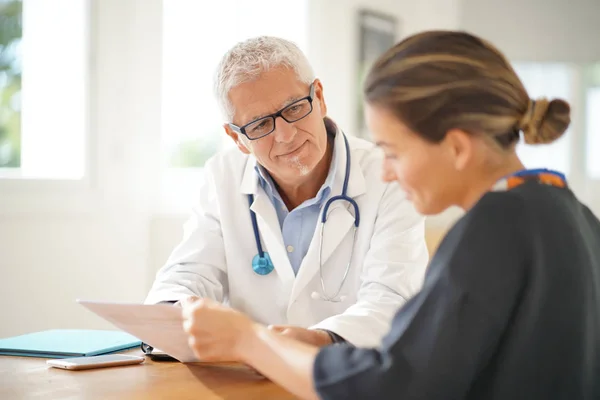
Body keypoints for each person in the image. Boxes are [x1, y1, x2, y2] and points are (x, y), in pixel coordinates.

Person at [181, 30, 600, 400]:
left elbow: (394, 384)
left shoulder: (493, 231)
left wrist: (251, 342)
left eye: (393, 151)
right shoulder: (572, 213)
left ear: (456, 147)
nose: (384, 171)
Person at [145, 36, 429, 348]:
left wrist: (318, 339)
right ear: (237, 138)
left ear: (318, 98)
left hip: (349, 376)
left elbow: (392, 298)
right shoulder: (222, 176)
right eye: (259, 124)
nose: (285, 135)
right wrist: (170, 315)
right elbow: (190, 273)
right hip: (251, 379)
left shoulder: (388, 176)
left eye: (293, 109)